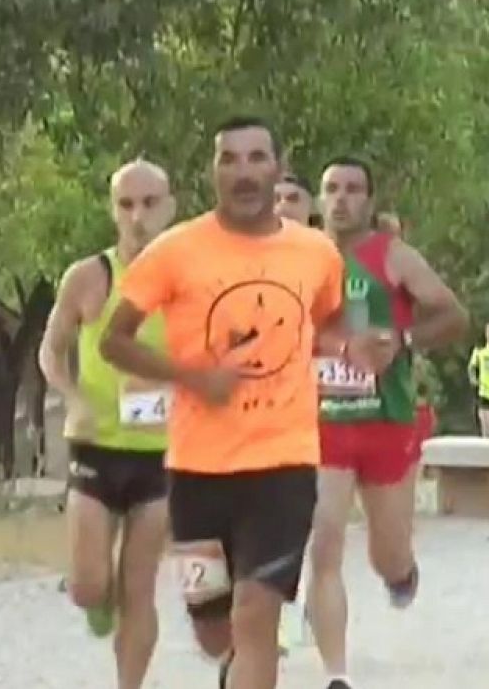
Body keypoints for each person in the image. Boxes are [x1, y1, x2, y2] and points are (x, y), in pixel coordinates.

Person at [99, 118, 350, 689]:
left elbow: (330, 319)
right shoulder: (175, 251)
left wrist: (350, 348)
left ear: (277, 168)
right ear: (212, 172)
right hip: (198, 470)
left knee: (257, 613)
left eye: (256, 158)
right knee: (214, 629)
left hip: (284, 464)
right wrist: (194, 377)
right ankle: (234, 666)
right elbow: (115, 341)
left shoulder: (316, 252)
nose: (243, 172)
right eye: (229, 159)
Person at [309, 156, 468, 689]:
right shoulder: (299, 254)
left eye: (353, 189)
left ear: (369, 201)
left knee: (387, 553)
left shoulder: (391, 255)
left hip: (386, 417)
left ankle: (401, 573)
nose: (341, 199)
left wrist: (404, 339)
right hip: (322, 418)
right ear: (319, 198)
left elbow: (453, 313)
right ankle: (337, 673)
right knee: (324, 541)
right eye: (332, 188)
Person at [38, 160, 175, 689]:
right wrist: (73, 397)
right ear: (112, 210)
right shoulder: (89, 277)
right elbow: (51, 352)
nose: (138, 216)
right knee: (89, 586)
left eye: (149, 203)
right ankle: (97, 601)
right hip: (96, 447)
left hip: (161, 455)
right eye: (126, 204)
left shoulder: (191, 282)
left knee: (139, 588)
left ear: (170, 208)